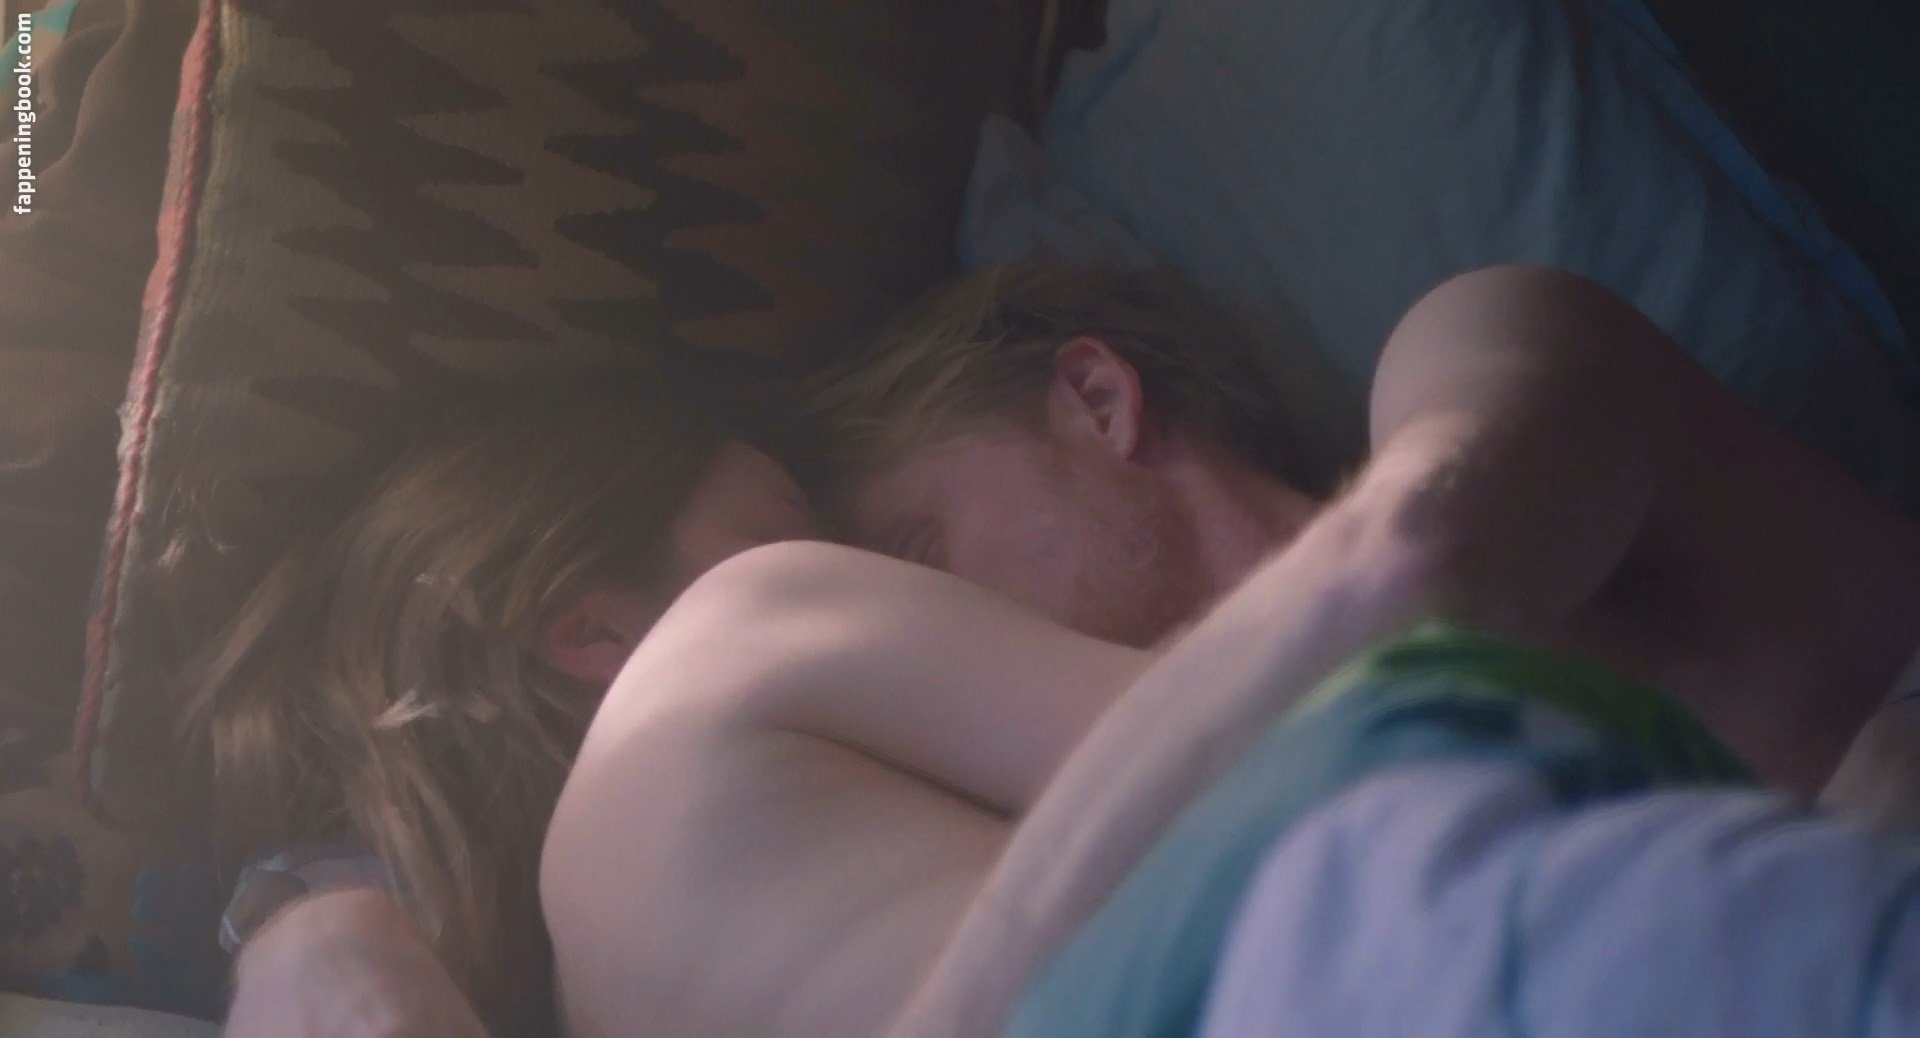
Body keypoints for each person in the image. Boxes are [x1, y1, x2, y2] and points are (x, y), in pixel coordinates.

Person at [538, 263, 1920, 1036]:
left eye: (915, 551)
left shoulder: (1460, 339)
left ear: (1095, 397)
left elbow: (1411, 560)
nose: (922, 628)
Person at [193, 374, 814, 1035]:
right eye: (784, 545)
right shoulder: (403, 901)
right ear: (593, 633)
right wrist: (322, 943)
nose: (855, 569)